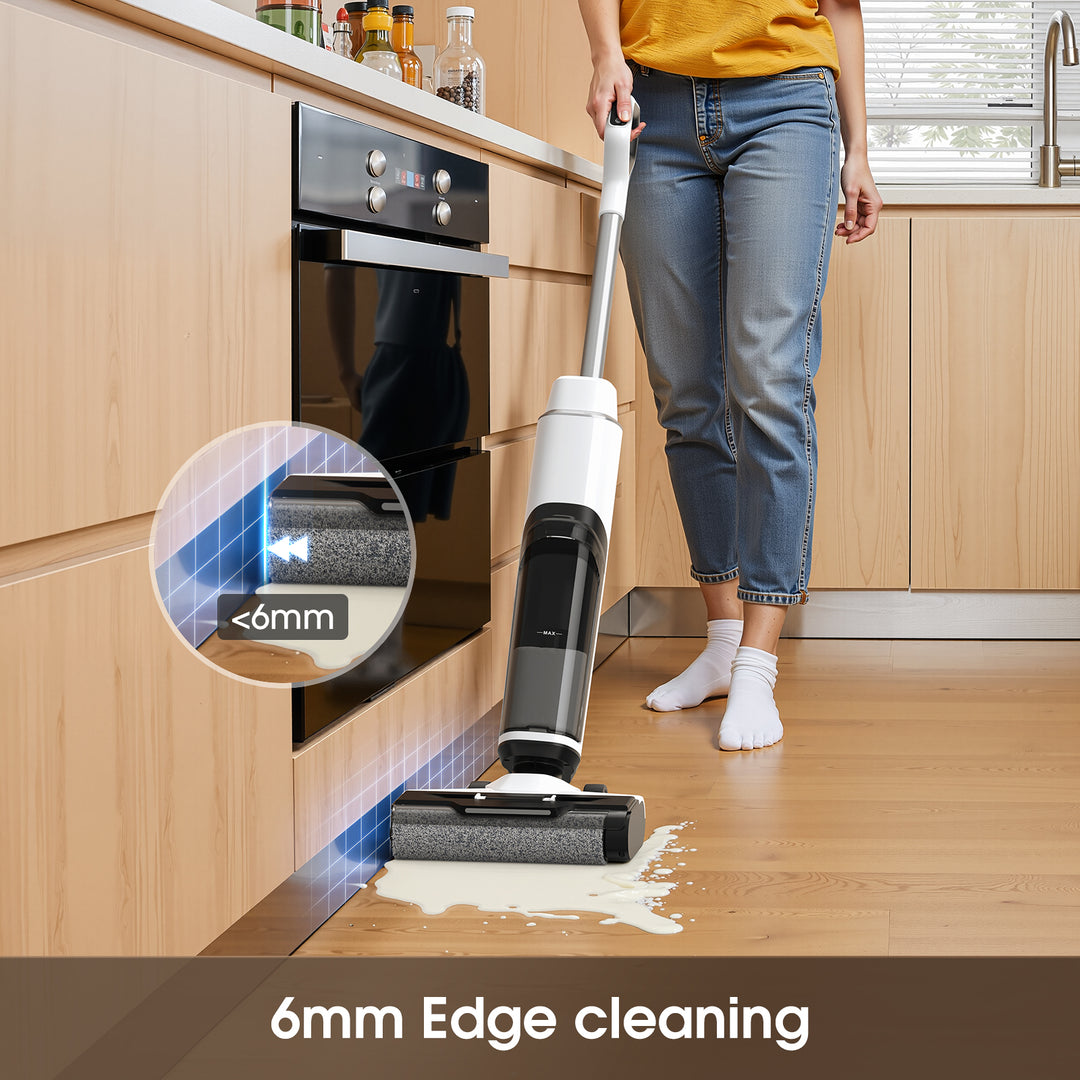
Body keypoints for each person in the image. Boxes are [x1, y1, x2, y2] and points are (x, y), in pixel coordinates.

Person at [578, 0, 882, 750]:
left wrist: (859, 150)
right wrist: (604, 55)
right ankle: (721, 638)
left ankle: (758, 660)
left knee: (770, 380)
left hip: (787, 102)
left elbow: (841, 9)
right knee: (685, 391)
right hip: (655, 102)